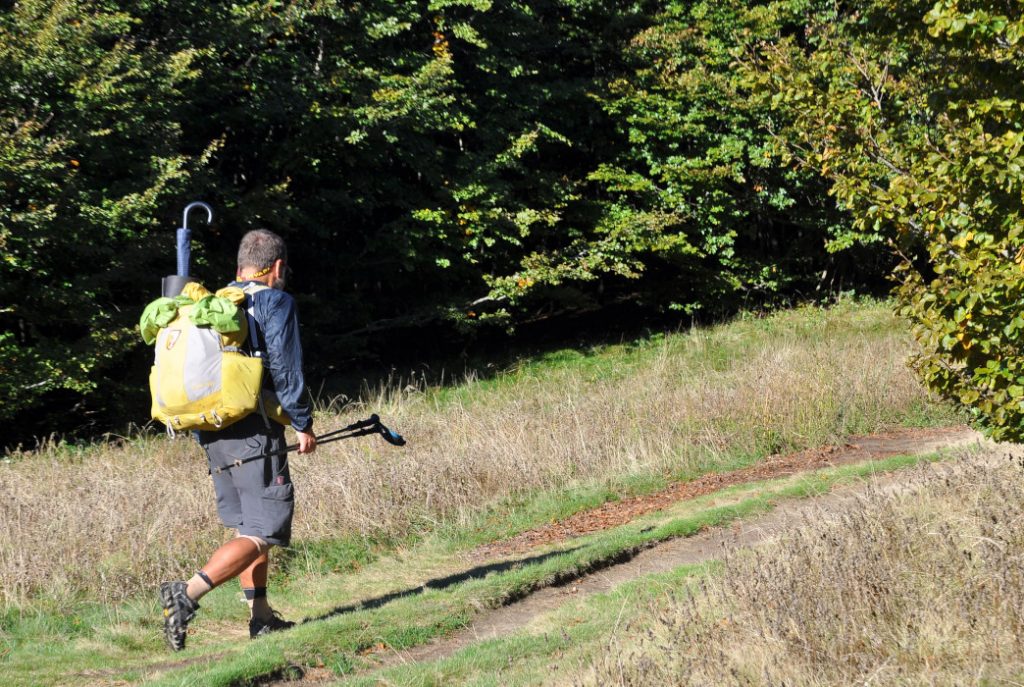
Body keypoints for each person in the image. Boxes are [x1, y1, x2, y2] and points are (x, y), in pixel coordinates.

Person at [160, 229, 317, 652]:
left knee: (247, 526)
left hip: (211, 429)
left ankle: (260, 617)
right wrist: (303, 421)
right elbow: (286, 368)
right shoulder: (274, 300)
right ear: (278, 267)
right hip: (255, 431)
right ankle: (186, 593)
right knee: (264, 530)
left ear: (239, 267)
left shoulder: (216, 302)